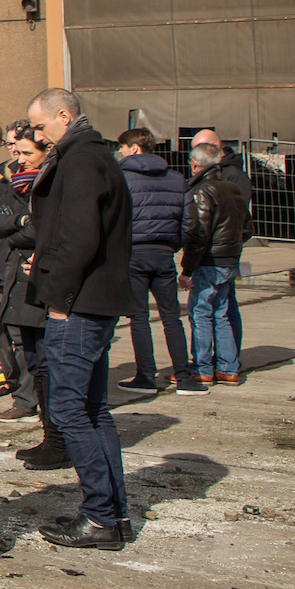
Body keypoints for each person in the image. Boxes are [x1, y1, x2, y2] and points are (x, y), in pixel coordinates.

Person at [22, 88, 136, 549]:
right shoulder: (93, 155)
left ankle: (100, 516)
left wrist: (59, 293)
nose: (37, 134)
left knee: (69, 408)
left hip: (80, 304)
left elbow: (80, 236)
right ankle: (113, 514)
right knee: (92, 408)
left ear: (63, 117)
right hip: (91, 299)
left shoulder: (82, 160)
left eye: (42, 126)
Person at [115, 128, 198, 395]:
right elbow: (189, 222)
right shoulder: (176, 178)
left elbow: (114, 219)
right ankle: (184, 376)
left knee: (138, 317)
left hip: (134, 253)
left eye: (123, 148)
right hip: (164, 254)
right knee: (172, 317)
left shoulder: (121, 178)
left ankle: (146, 375)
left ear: (134, 148)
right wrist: (172, 244)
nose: (120, 152)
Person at [0, 124, 44, 426]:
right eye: (12, 147)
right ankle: (24, 397)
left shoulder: (50, 182)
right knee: (13, 336)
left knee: (37, 342)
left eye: (23, 150)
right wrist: (21, 221)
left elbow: (41, 227)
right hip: (8, 265)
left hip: (38, 268)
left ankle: (35, 402)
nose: (16, 155)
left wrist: (17, 228)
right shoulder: (7, 180)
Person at [181, 140, 248, 387]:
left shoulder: (204, 190)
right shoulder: (233, 189)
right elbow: (247, 227)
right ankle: (228, 368)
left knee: (200, 312)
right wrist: (233, 247)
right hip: (228, 258)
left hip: (210, 260)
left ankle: (202, 367)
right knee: (220, 313)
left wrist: (187, 269)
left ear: (196, 165)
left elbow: (200, 234)